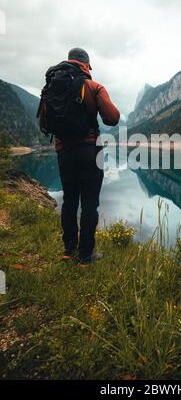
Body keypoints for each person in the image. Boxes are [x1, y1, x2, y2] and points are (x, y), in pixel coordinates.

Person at [56, 47, 120, 265]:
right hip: (89, 150)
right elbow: (112, 118)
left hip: (63, 151)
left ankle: (68, 250)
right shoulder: (93, 86)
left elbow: (44, 122)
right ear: (85, 65)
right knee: (89, 204)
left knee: (69, 201)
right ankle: (85, 255)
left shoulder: (52, 87)